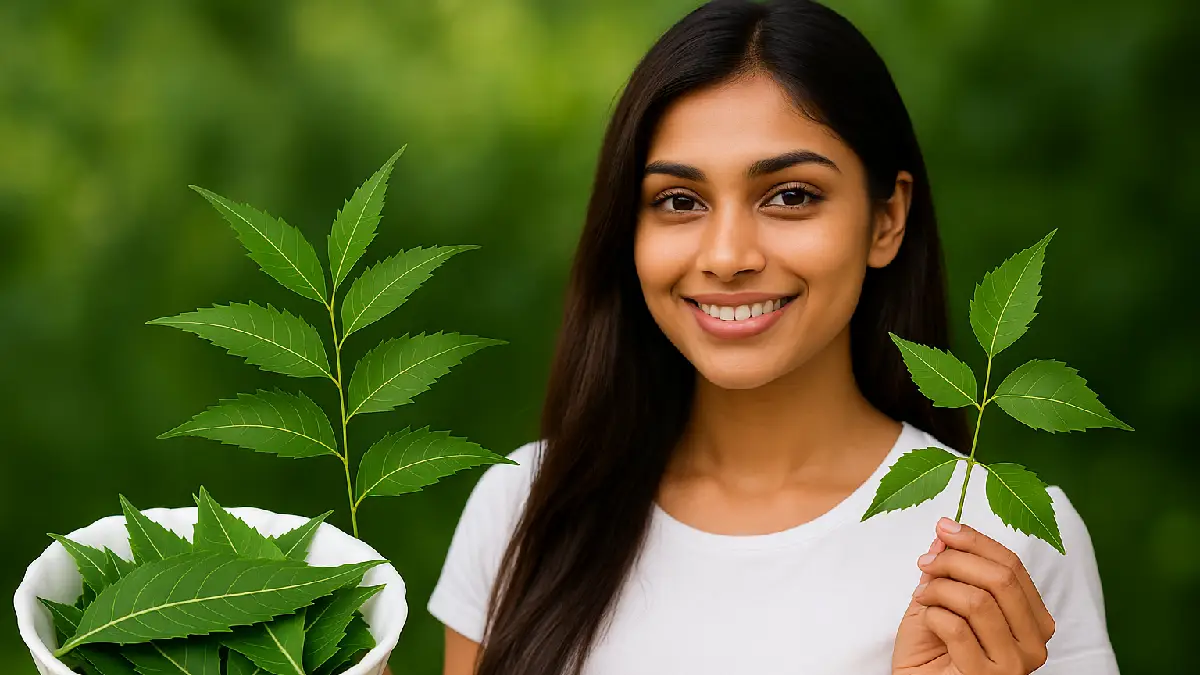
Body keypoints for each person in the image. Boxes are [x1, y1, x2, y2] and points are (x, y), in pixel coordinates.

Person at [413, 1, 1119, 673]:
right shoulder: (528, 504)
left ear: (887, 219)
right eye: (679, 202)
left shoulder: (999, 540)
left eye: (790, 196)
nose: (726, 255)